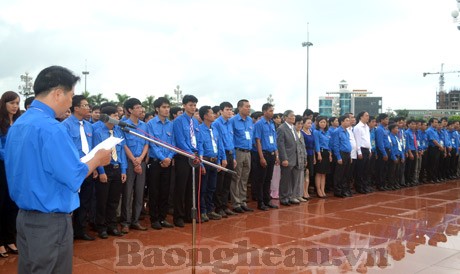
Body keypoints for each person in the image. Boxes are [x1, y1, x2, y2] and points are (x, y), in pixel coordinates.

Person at [5, 65, 111, 273]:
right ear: (57, 93)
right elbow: (73, 175)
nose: (71, 102)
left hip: (26, 216)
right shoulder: (52, 128)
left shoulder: (19, 124)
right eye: (71, 96)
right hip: (49, 221)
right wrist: (98, 159)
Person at [62, 95, 96, 241]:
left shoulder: (89, 126)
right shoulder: (65, 125)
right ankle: (67, 232)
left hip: (88, 167)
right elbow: (64, 149)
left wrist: (95, 167)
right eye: (85, 105)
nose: (88, 108)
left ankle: (80, 230)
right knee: (70, 200)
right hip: (73, 169)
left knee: (85, 200)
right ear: (76, 108)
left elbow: (92, 147)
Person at [93, 106, 127, 239]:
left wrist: (123, 169)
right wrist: (101, 172)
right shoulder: (97, 131)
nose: (118, 117)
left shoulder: (118, 130)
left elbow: (122, 151)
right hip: (105, 168)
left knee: (114, 200)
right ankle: (101, 227)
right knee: (102, 200)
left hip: (117, 169)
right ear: (106, 117)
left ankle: (112, 225)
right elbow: (97, 153)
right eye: (115, 115)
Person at [120, 98, 149, 233]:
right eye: (137, 107)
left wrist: (141, 159)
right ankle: (125, 222)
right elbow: (123, 144)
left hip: (141, 162)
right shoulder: (123, 124)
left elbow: (146, 143)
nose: (140, 109)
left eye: (141, 107)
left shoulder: (144, 126)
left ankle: (135, 220)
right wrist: (134, 160)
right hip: (128, 163)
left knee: (139, 192)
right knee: (127, 193)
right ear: (130, 110)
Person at [146, 97, 175, 230]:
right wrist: (163, 158)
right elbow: (152, 143)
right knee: (154, 191)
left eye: (168, 107)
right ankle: (154, 218)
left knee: (165, 190)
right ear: (157, 109)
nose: (166, 109)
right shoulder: (150, 124)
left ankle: (163, 218)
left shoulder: (171, 124)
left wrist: (168, 157)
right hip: (156, 162)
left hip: (167, 162)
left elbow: (173, 144)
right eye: (164, 107)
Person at [172, 95, 201, 227]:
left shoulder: (195, 121)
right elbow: (180, 141)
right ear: (184, 106)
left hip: (194, 157)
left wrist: (198, 153)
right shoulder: (178, 121)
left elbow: (198, 139)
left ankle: (190, 215)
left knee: (192, 187)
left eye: (194, 105)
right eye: (190, 105)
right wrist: (190, 153)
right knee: (181, 187)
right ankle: (178, 216)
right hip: (183, 157)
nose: (193, 107)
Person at [0, 91, 20, 257]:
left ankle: (10, 239)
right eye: (12, 103)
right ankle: (0, 242)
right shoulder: (0, 122)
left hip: (17, 169)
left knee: (12, 204)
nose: (15, 106)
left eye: (17, 103)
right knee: (1, 204)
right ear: (4, 103)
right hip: (2, 167)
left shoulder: (20, 122)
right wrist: (13, 157)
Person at [197, 106, 225, 220]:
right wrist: (201, 164)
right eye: (211, 113)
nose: (214, 115)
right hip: (206, 161)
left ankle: (210, 210)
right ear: (205, 116)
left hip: (214, 161)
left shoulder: (214, 129)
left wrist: (219, 160)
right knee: (203, 188)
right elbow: (200, 147)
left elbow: (219, 145)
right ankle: (202, 211)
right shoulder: (199, 130)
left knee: (212, 188)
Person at [212, 102, 237, 217]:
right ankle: (218, 207)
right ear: (221, 111)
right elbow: (218, 142)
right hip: (222, 155)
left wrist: (234, 157)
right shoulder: (216, 124)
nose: (229, 112)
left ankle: (224, 205)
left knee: (227, 182)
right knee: (220, 183)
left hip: (231, 153)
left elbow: (232, 141)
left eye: (231, 110)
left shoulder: (229, 123)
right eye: (227, 109)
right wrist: (222, 158)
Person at [252, 103, 279, 211]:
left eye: (273, 110)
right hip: (264, 154)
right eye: (270, 111)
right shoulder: (259, 124)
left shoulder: (272, 124)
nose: (272, 113)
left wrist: (277, 155)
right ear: (264, 112)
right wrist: (261, 157)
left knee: (269, 179)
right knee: (261, 179)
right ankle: (260, 202)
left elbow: (274, 141)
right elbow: (257, 141)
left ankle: (267, 200)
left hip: (272, 153)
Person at [229, 99, 254, 213]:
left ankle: (243, 201)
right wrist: (233, 156)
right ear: (239, 108)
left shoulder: (249, 120)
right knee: (236, 178)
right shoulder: (233, 121)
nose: (249, 108)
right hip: (238, 151)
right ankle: (236, 202)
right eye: (246, 106)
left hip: (248, 152)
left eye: (249, 106)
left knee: (244, 178)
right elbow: (231, 138)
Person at [277, 110, 302, 206]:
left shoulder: (293, 128)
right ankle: (283, 197)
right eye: (291, 116)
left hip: (295, 158)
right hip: (287, 158)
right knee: (285, 179)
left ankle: (290, 196)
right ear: (285, 117)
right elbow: (281, 144)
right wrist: (284, 158)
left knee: (293, 179)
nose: (293, 118)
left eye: (294, 116)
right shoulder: (282, 128)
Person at [331, 115, 352, 198]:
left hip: (347, 154)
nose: (348, 122)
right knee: (339, 174)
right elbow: (335, 145)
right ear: (342, 122)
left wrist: (349, 156)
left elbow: (347, 144)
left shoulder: (347, 131)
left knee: (345, 173)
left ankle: (344, 190)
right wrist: (339, 157)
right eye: (347, 120)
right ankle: (337, 190)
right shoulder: (337, 131)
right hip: (341, 153)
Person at [313, 116, 332, 198]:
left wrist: (330, 154)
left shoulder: (327, 132)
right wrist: (318, 154)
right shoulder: (316, 132)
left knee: (324, 173)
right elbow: (316, 143)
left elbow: (329, 144)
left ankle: (323, 189)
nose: (323, 124)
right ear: (318, 123)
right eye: (321, 122)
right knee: (319, 172)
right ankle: (318, 190)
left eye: (324, 122)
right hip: (320, 152)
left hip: (326, 152)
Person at [353, 111, 372, 193]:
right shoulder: (357, 127)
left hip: (367, 149)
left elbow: (368, 139)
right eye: (366, 116)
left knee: (366, 170)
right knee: (360, 170)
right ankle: (359, 187)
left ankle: (365, 185)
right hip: (361, 150)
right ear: (361, 117)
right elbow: (357, 140)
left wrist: (370, 149)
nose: (368, 117)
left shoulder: (367, 127)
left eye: (368, 116)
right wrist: (359, 152)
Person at [375, 113, 391, 191]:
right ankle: (380, 184)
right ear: (381, 120)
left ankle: (384, 184)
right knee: (381, 169)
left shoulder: (385, 129)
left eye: (388, 119)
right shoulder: (379, 129)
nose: (387, 121)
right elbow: (380, 142)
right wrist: (384, 153)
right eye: (386, 119)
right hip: (382, 151)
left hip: (387, 150)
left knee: (385, 168)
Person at [301, 117, 315, 200]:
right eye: (308, 123)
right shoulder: (301, 133)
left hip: (311, 154)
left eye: (310, 123)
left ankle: (306, 191)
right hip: (304, 154)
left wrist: (314, 156)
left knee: (309, 173)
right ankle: (303, 192)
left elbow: (313, 145)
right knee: (305, 173)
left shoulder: (311, 132)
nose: (309, 125)